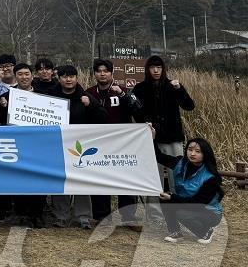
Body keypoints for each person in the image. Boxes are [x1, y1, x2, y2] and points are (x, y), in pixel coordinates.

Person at [133, 55, 196, 227]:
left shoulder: (172, 86)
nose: (155, 70)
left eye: (159, 67)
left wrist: (180, 89)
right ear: (147, 69)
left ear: (163, 69)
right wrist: (144, 123)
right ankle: (155, 215)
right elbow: (134, 110)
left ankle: (180, 212)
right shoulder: (140, 88)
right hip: (151, 138)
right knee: (154, 177)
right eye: (152, 67)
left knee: (177, 175)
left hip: (174, 137)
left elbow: (189, 106)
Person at [86, 59, 144, 229]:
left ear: (112, 73)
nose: (102, 74)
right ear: (94, 73)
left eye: (106, 71)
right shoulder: (89, 93)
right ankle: (101, 216)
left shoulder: (124, 91)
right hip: (98, 144)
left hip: (122, 144)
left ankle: (128, 216)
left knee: (125, 179)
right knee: (99, 179)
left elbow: (139, 111)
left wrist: (123, 95)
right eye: (98, 71)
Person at [49, 65, 108, 229]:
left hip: (80, 146)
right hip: (57, 144)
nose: (68, 80)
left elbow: (103, 118)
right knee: (60, 179)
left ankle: (83, 216)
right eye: (64, 76)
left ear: (76, 78)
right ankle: (61, 216)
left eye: (71, 76)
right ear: (59, 78)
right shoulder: (50, 97)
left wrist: (91, 105)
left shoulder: (86, 96)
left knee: (81, 180)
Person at [0, 63, 45, 227]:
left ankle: (37, 214)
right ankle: (20, 213)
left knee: (38, 179)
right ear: (15, 76)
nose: (24, 77)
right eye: (20, 74)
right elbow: (2, 121)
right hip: (16, 145)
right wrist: (3, 106)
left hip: (38, 145)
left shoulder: (44, 95)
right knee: (18, 179)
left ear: (32, 76)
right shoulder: (6, 96)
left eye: (27, 74)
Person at [156, 137, 223, 244]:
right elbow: (159, 156)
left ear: (205, 154)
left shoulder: (210, 177)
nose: (192, 154)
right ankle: (175, 232)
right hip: (189, 203)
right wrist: (152, 138)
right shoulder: (180, 163)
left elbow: (197, 203)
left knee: (182, 214)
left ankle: (206, 231)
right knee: (164, 197)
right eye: (190, 149)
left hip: (209, 212)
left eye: (197, 151)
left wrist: (173, 198)